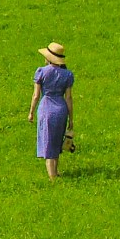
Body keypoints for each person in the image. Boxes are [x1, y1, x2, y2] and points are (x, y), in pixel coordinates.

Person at [28, 42, 76, 178]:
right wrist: (71, 118)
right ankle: (56, 172)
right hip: (61, 110)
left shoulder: (41, 72)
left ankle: (52, 177)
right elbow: (69, 98)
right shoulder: (67, 75)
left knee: (47, 142)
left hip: (46, 108)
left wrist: (31, 112)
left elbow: (36, 95)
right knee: (56, 140)